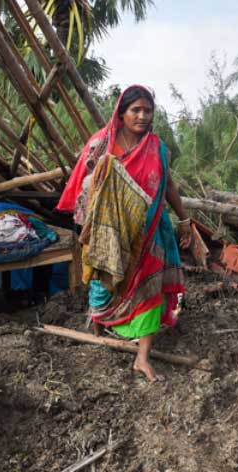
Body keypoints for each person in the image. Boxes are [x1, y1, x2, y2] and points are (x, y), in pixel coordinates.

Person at [57, 85, 190, 382]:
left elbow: (167, 186)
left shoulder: (158, 147)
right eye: (136, 110)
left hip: (150, 232)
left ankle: (142, 357)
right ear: (121, 112)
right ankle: (101, 321)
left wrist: (184, 220)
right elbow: (84, 187)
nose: (142, 116)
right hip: (110, 232)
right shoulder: (100, 145)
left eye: (148, 110)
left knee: (149, 288)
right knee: (104, 283)